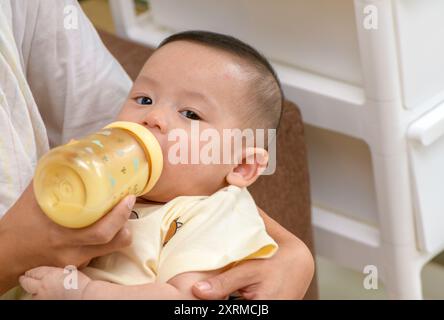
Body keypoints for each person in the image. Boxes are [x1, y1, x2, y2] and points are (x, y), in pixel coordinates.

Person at [0, 0, 314, 299]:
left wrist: (85, 293)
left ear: (242, 166)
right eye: (144, 99)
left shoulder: (215, 214)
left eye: (191, 114)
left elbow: (187, 299)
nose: (153, 118)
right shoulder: (111, 185)